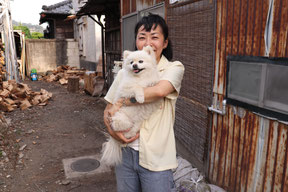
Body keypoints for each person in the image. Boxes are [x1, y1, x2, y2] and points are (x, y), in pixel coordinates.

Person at [103, 14, 185, 192]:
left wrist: (124, 100)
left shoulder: (173, 68)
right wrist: (113, 133)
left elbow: (158, 91)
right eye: (142, 37)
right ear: (136, 42)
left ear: (165, 43)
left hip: (157, 159)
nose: (148, 43)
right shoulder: (126, 72)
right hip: (125, 153)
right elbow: (108, 109)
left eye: (154, 37)